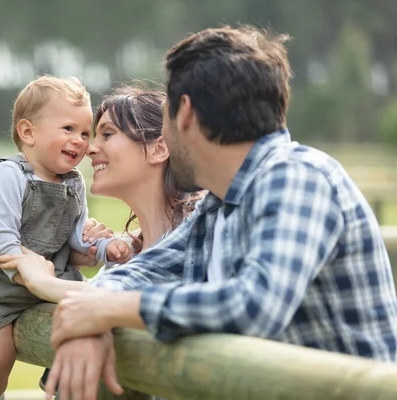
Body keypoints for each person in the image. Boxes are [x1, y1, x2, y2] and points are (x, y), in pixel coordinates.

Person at [31, 26, 397, 400]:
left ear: (185, 113)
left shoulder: (296, 176)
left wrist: (107, 310)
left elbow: (255, 305)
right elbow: (146, 269)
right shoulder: (219, 203)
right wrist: (93, 315)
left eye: (167, 114)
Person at [0, 85, 204, 397]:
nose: (89, 148)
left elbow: (146, 299)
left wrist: (43, 281)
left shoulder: (195, 242)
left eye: (107, 134)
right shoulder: (129, 255)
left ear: (159, 149)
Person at [0, 75, 132, 400]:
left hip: (51, 280)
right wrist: (29, 274)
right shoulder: (8, 176)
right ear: (28, 132)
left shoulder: (73, 182)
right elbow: (1, 239)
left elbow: (77, 237)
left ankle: (58, 389)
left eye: (85, 133)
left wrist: (106, 248)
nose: (80, 141)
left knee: (84, 324)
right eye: (68, 129)